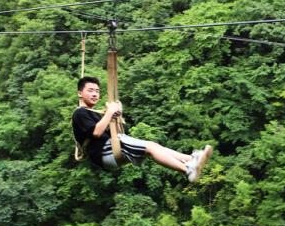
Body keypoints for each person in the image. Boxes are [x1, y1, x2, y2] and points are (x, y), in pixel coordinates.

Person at [72, 76, 212, 182]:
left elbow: (117, 131)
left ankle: (191, 159)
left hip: (111, 150)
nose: (95, 94)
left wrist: (116, 115)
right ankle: (188, 169)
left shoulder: (96, 114)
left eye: (97, 91)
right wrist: (109, 112)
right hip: (104, 152)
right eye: (90, 91)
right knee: (150, 148)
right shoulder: (80, 113)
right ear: (80, 93)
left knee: (153, 146)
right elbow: (96, 133)